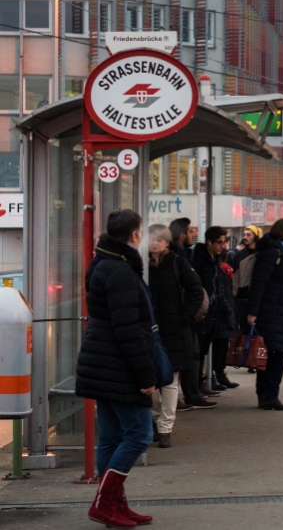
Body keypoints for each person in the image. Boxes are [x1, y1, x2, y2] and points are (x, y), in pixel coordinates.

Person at [76, 209, 155, 528]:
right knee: (139, 435)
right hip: (118, 366)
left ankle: (115, 505)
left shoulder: (102, 262)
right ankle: (104, 503)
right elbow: (128, 330)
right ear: (134, 235)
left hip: (101, 361)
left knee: (111, 436)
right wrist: (146, 376)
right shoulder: (121, 271)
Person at [147, 224, 205, 448]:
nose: (155, 243)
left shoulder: (178, 263)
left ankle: (166, 428)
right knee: (149, 379)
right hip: (150, 329)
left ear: (168, 243)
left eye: (160, 239)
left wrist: (185, 317)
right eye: (152, 239)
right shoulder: (140, 264)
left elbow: (196, 291)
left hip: (174, 330)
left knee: (170, 381)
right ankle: (152, 420)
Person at [247, 218, 283, 410]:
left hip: (279, 311)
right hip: (270, 312)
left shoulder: (281, 252)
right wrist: (252, 312)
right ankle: (268, 396)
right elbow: (258, 283)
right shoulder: (273, 253)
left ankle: (267, 396)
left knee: (271, 354)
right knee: (273, 354)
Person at [168, 217, 214, 410]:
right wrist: (185, 315)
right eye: (189, 231)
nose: (192, 234)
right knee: (181, 358)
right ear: (181, 235)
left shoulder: (185, 254)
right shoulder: (175, 257)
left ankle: (191, 393)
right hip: (178, 316)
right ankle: (182, 396)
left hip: (186, 315)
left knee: (192, 355)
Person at [192, 226, 238, 393]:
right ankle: (197, 385)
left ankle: (202, 381)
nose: (223, 246)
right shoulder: (201, 260)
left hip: (214, 311)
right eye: (219, 242)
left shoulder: (216, 260)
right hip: (202, 312)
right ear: (209, 242)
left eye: (224, 242)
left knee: (205, 349)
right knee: (198, 350)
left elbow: (218, 285)